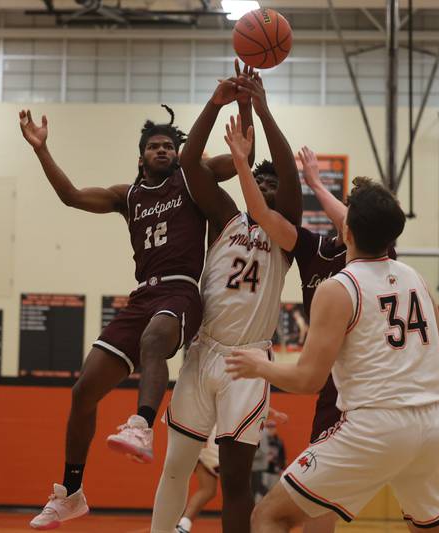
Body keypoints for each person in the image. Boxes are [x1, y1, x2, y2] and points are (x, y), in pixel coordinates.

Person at [20, 96, 254, 529]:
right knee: (83, 391)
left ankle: (142, 424)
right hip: (141, 297)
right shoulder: (126, 196)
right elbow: (70, 196)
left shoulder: (190, 180)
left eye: (169, 145)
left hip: (181, 291)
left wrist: (243, 106)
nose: (163, 150)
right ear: (142, 156)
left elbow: (243, 157)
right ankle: (71, 492)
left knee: (153, 342)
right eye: (155, 146)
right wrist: (41, 148)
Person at [226, 176, 439, 532]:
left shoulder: (340, 286)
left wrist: (258, 366)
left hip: (376, 427)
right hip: (433, 424)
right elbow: (438, 349)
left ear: (346, 230)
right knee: (431, 529)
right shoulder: (416, 278)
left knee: (269, 515)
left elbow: (307, 379)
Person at [150, 71, 301, 533]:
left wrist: (261, 108)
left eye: (276, 184)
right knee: (176, 465)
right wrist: (218, 103)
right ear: (249, 185)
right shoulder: (226, 218)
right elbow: (190, 162)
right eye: (263, 181)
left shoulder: (287, 233)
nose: (271, 186)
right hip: (204, 350)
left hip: (248, 360)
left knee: (235, 478)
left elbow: (288, 171)